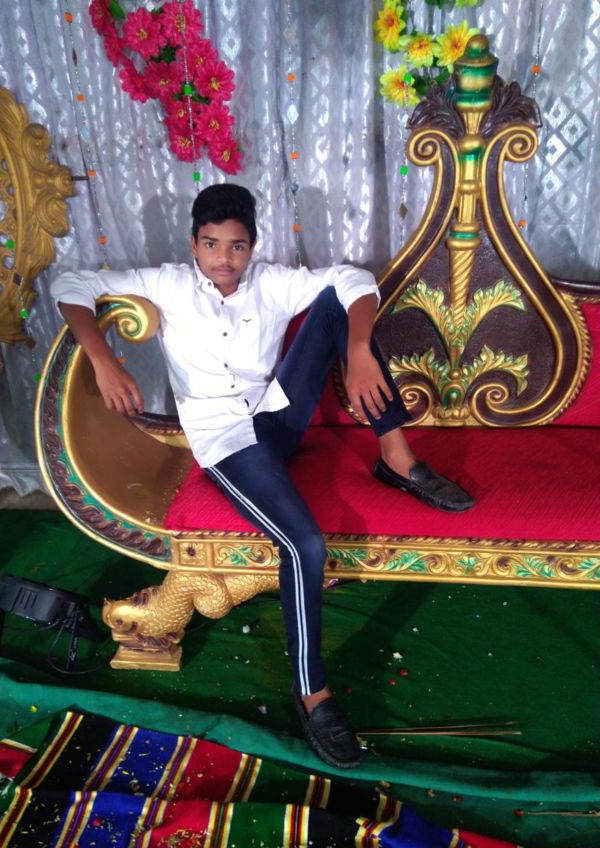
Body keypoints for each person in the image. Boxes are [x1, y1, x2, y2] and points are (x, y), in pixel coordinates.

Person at [51, 183, 474, 769]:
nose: (223, 259)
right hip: (225, 440)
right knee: (304, 545)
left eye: (237, 246)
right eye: (211, 244)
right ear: (193, 244)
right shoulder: (166, 284)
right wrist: (102, 358)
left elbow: (355, 280)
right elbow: (69, 285)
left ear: (252, 247)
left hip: (275, 416)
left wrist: (357, 348)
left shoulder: (271, 282)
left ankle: (396, 457)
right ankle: (313, 693)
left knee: (337, 301)